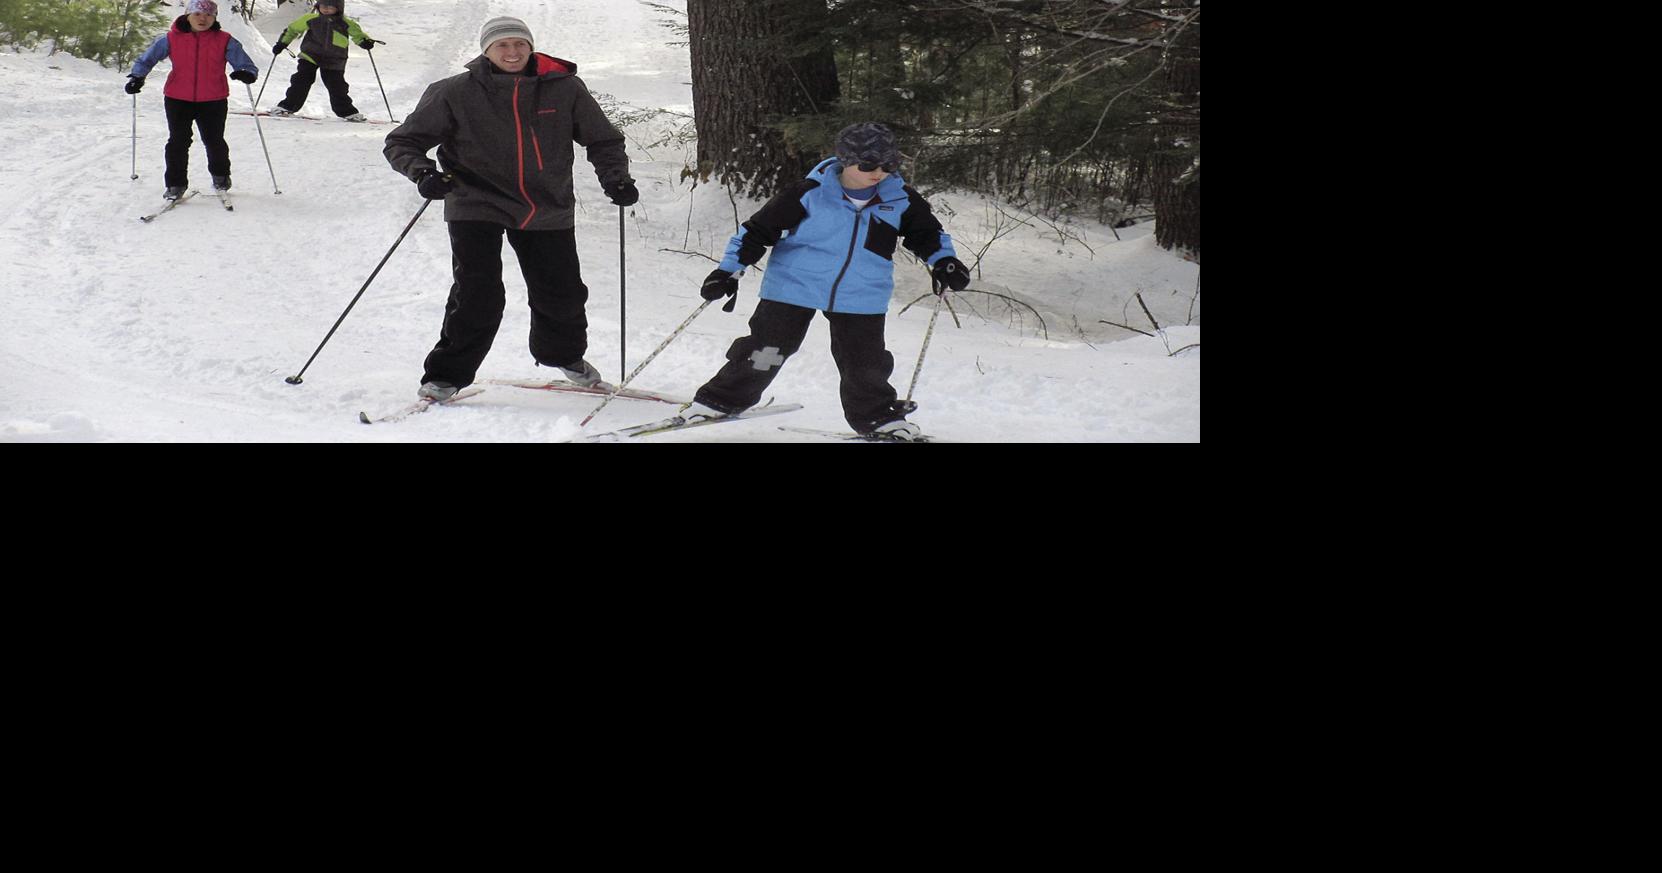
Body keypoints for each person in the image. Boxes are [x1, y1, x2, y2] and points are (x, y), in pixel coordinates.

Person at [383, 16, 639, 401]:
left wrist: (615, 178)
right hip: (475, 200)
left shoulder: (564, 88)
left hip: (545, 204)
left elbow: (602, 140)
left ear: (530, 47)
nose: (513, 52)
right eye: (502, 45)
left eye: (519, 44)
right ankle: (445, 376)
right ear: (486, 51)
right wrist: (423, 174)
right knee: (478, 293)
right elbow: (402, 141)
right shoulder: (455, 91)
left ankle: (563, 355)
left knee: (562, 292)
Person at [681, 123, 972, 441]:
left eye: (888, 165)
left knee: (866, 363)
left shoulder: (901, 199)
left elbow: (927, 235)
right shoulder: (809, 193)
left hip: (861, 292)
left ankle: (877, 418)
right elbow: (757, 231)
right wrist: (728, 271)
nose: (879, 173)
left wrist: (944, 263)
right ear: (846, 161)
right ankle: (718, 401)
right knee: (766, 350)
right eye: (869, 165)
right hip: (793, 286)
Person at [125, 0, 259, 200]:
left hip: (213, 98)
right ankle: (175, 184)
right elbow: (148, 58)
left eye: (208, 15)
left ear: (214, 18)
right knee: (178, 141)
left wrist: (246, 73)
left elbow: (245, 63)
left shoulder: (224, 40)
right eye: (197, 14)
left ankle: (221, 176)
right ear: (187, 15)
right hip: (177, 98)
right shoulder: (170, 38)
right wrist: (137, 76)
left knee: (214, 141)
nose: (203, 19)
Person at [270, 1, 376, 122]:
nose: (326, 9)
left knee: (337, 86)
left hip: (335, 59)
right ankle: (286, 107)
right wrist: (282, 43)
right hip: (310, 55)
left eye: (330, 7)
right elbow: (292, 29)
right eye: (323, 6)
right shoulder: (310, 19)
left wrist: (364, 42)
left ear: (338, 8)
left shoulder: (346, 23)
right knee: (301, 80)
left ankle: (348, 112)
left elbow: (358, 35)